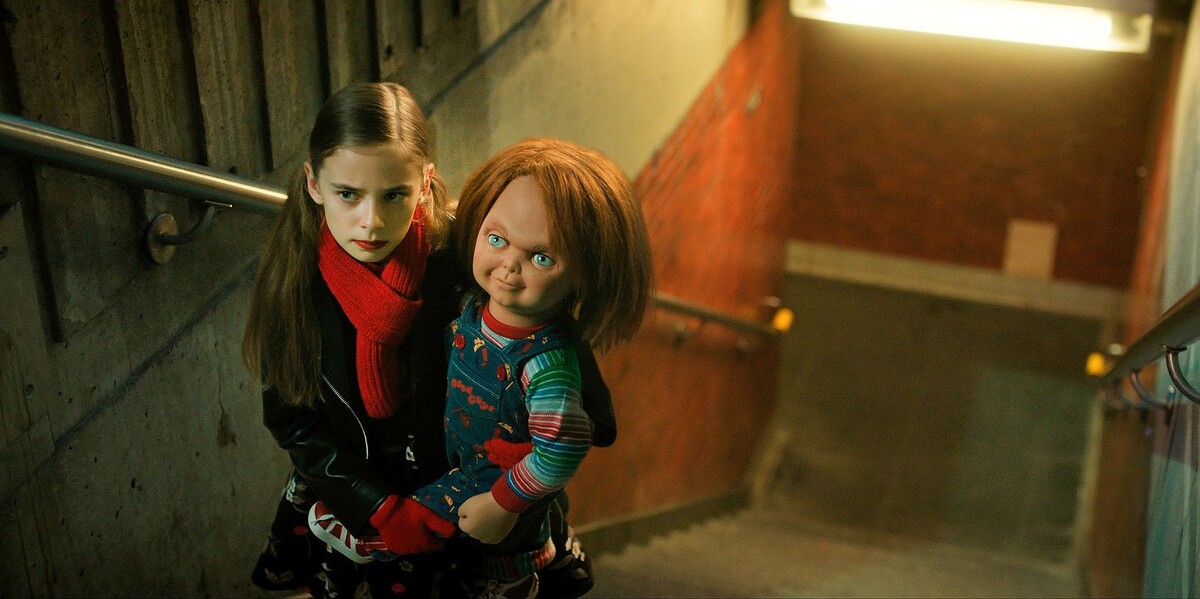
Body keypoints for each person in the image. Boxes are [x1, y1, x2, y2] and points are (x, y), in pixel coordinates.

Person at [242, 83, 611, 598]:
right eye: (348, 194)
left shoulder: (463, 258)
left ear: (425, 183)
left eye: (394, 194)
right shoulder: (292, 284)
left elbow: (545, 331)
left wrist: (542, 436)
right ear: (313, 183)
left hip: (465, 489)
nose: (371, 221)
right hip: (360, 493)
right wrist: (375, 505)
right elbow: (293, 422)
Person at [408, 138, 654, 597]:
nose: (508, 266)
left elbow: (561, 450)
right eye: (496, 239)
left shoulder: (546, 367)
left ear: (583, 275)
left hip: (506, 511)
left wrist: (504, 504)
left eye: (541, 257)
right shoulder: (471, 304)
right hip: (459, 473)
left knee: (501, 580)